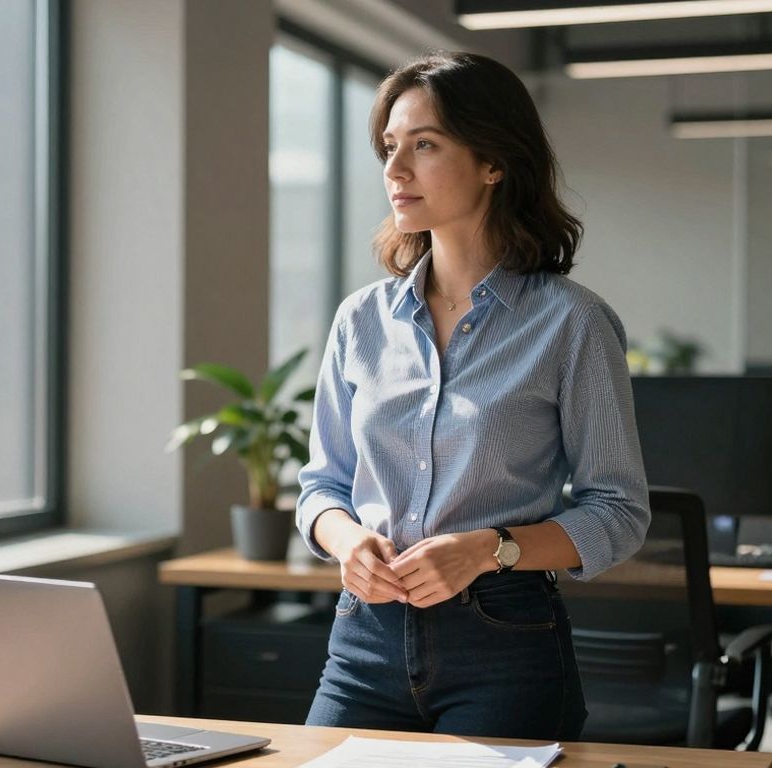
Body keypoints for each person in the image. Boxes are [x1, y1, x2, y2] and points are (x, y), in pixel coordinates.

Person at [295, 51, 650, 740]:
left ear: (493, 161)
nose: (395, 170)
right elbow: (321, 488)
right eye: (390, 147)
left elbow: (619, 512)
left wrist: (489, 549)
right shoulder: (361, 320)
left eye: (424, 145)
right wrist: (347, 541)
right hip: (363, 641)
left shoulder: (571, 322)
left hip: (504, 646)